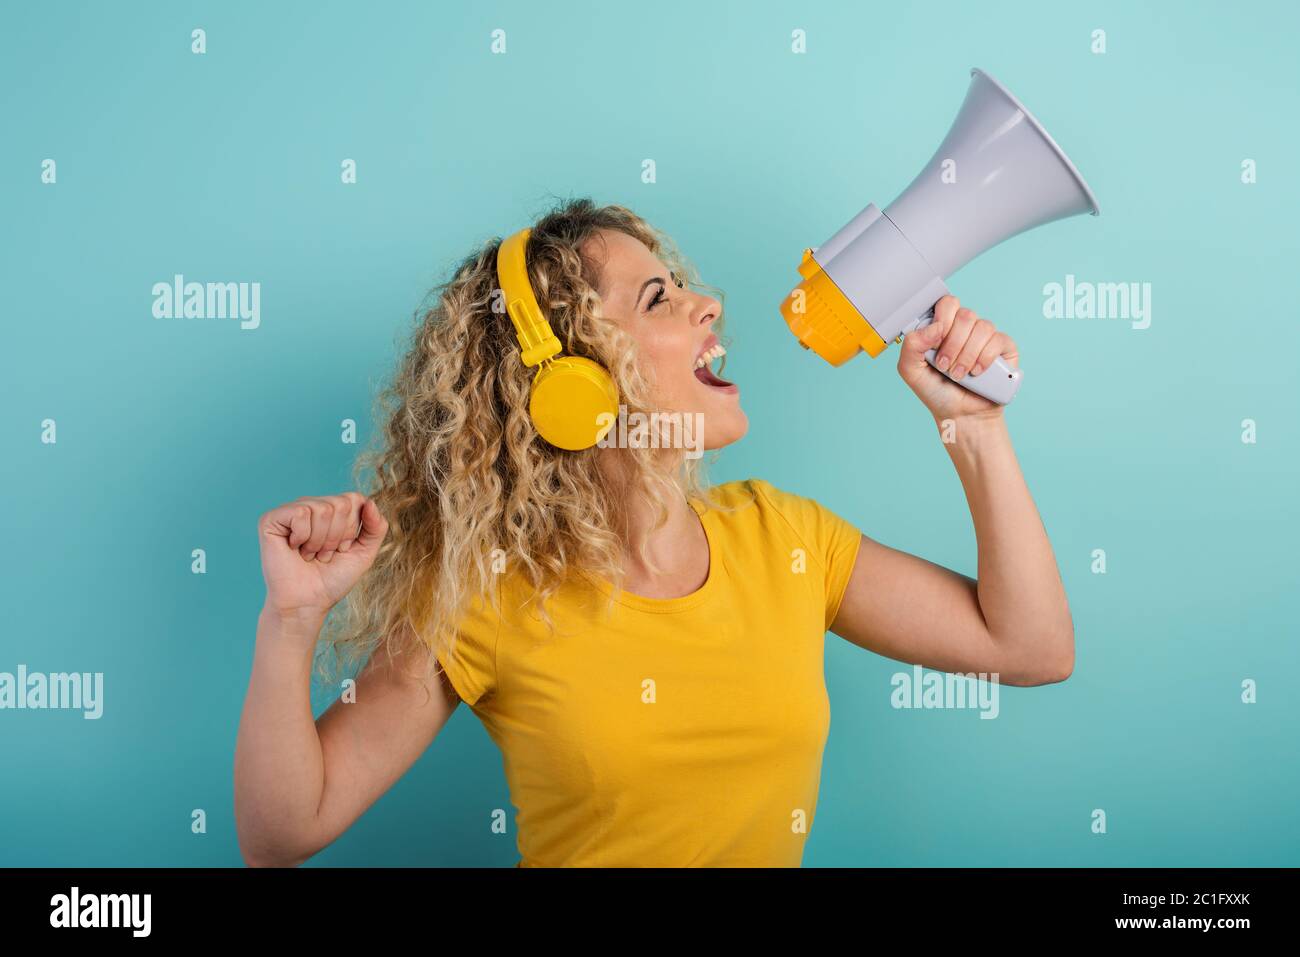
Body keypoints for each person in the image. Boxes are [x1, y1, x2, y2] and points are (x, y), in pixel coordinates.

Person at [233, 197, 1074, 868]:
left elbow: (1031, 647)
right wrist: (292, 621)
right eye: (659, 298)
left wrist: (976, 428)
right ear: (571, 379)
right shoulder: (485, 594)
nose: (708, 303)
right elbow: (283, 833)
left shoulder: (786, 538)